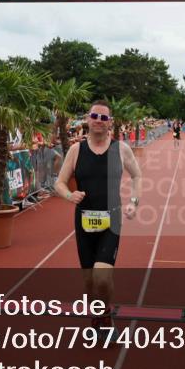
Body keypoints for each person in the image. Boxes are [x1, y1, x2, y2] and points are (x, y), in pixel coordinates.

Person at [54, 100, 142, 338]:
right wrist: (69, 195)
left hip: (111, 220)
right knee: (89, 283)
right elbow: (59, 183)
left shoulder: (121, 149)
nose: (99, 121)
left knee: (102, 277)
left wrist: (134, 202)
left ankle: (105, 318)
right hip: (84, 221)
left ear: (109, 122)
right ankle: (97, 316)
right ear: (88, 118)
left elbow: (137, 176)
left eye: (104, 118)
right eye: (95, 116)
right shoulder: (76, 150)